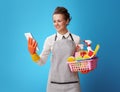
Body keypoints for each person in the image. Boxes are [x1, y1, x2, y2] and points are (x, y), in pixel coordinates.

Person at [28, 6, 81, 92]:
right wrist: (33, 54)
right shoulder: (49, 40)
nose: (56, 24)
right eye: (54, 21)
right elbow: (42, 62)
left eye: (59, 21)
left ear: (67, 21)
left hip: (73, 84)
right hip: (54, 84)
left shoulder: (76, 39)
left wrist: (83, 63)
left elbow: (79, 63)